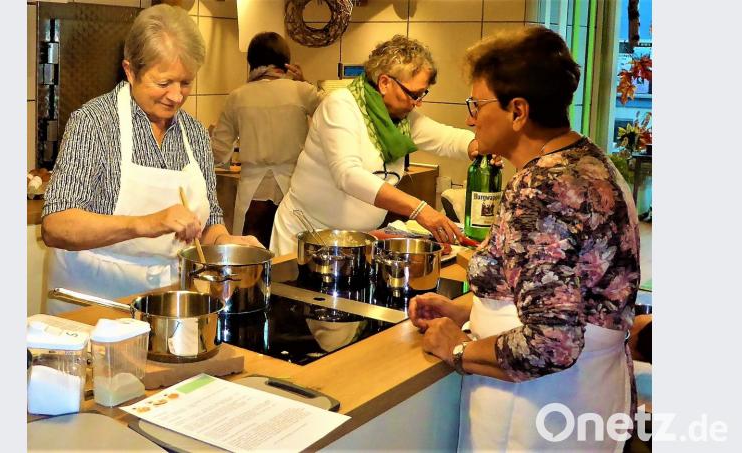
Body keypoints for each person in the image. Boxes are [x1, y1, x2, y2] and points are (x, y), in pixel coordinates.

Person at [408, 26, 641, 451]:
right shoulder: (590, 162)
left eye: (476, 104)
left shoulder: (540, 190)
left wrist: (459, 349)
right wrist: (466, 309)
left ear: (518, 111)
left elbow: (550, 344)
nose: (469, 118)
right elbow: (563, 292)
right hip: (586, 398)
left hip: (539, 409)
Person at [42, 5, 262, 314]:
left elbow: (208, 222)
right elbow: (56, 225)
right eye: (164, 83)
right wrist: (147, 223)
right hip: (93, 303)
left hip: (167, 302)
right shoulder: (93, 123)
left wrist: (226, 244)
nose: (176, 96)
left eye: (185, 83)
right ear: (130, 71)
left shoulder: (194, 133)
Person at [269, 35, 479, 256]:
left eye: (422, 94)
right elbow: (348, 175)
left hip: (355, 242)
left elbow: (445, 138)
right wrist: (418, 209)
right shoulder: (341, 105)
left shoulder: (399, 118)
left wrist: (478, 146)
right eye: (413, 94)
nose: (418, 102)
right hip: (306, 237)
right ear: (385, 83)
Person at [210, 32, 323, 248]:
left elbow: (218, 152)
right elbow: (333, 113)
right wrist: (304, 82)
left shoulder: (237, 97)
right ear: (286, 63)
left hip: (252, 191)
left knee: (249, 254)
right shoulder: (302, 91)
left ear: (251, 62)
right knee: (291, 254)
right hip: (293, 187)